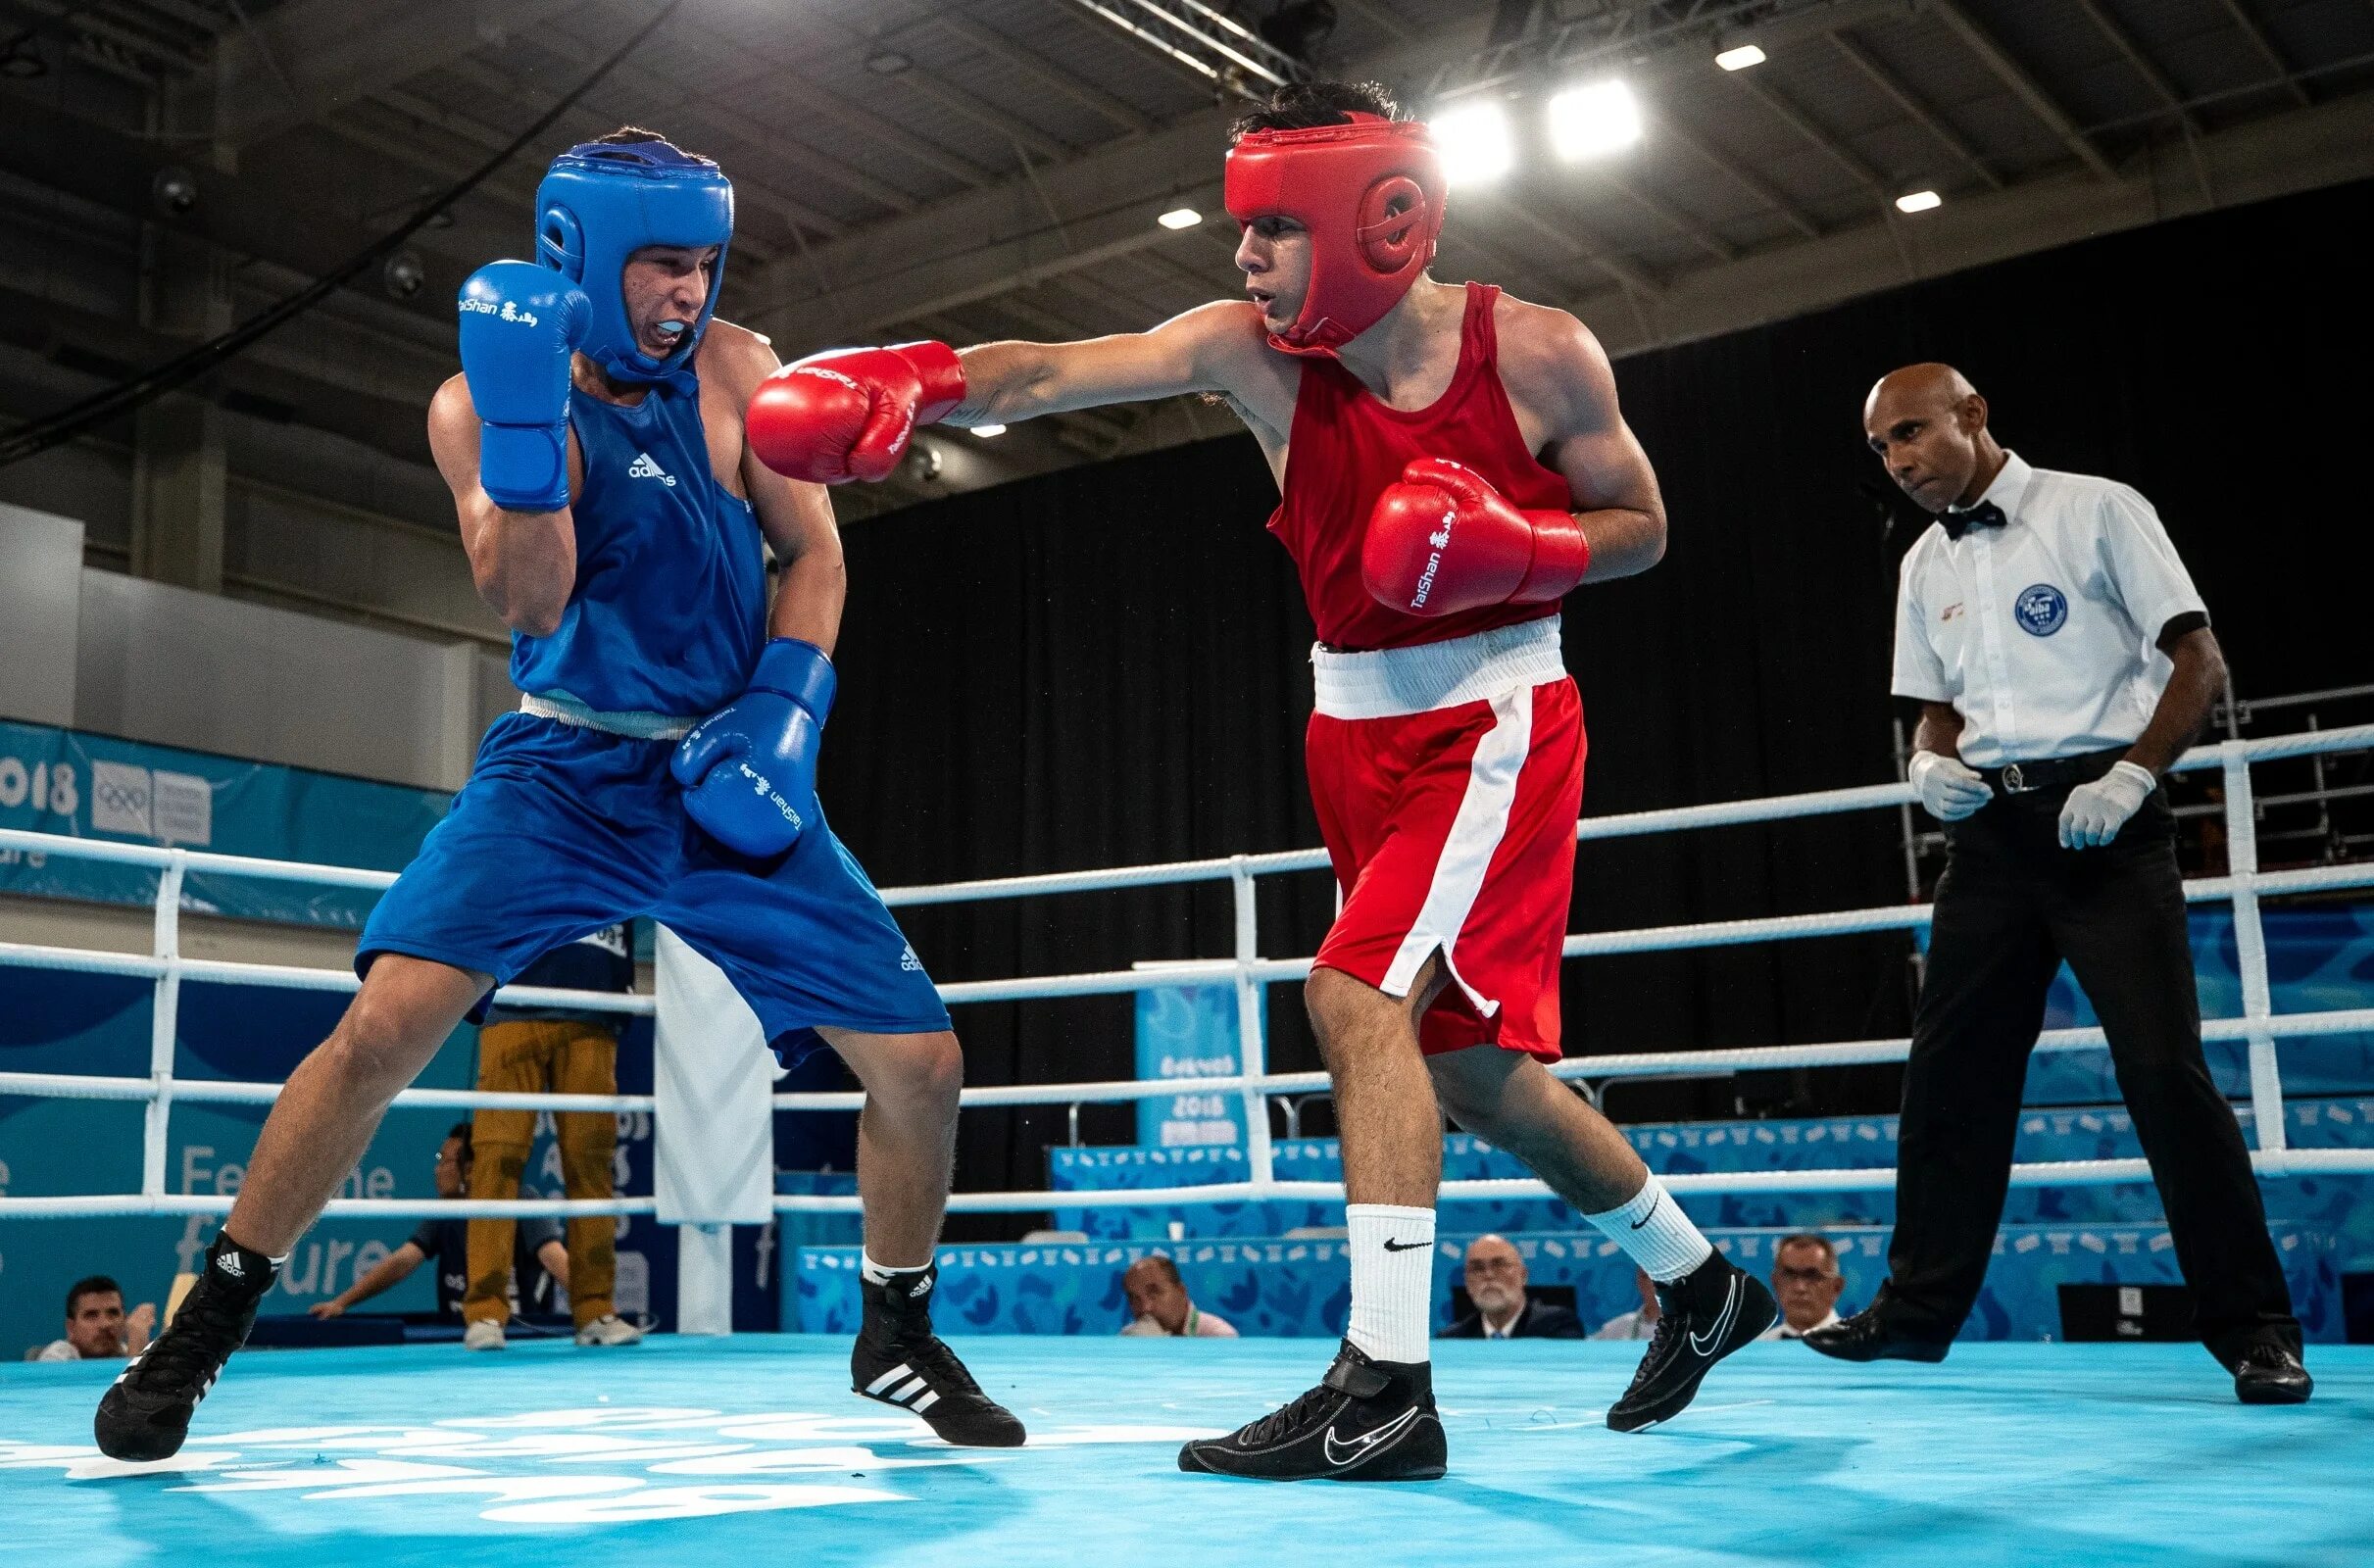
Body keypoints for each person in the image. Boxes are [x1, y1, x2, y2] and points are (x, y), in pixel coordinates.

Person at [744, 80, 1775, 1481]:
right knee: (1470, 1072)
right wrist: (906, 380)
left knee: (1354, 998)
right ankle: (1705, 1287)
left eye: (1275, 231)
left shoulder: (1534, 350)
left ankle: (1386, 1387)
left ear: (1380, 219)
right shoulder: (1255, 353)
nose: (1242, 260)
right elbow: (1051, 372)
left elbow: (1643, 526)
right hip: (1349, 727)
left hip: (1492, 715)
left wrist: (1516, 548)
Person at [94, 129, 1024, 1463]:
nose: (685, 295)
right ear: (575, 259)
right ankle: (207, 1324)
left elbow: (811, 556)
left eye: (703, 264)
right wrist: (535, 433)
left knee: (923, 1066)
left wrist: (783, 710)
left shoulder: (740, 371)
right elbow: (526, 600)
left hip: (729, 762)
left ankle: (896, 1330)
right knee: (384, 1031)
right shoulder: (474, 403)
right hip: (565, 768)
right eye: (658, 265)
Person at [1806, 363, 2309, 1404]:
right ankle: (1911, 1317)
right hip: (1989, 839)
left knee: (2164, 1078)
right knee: (1949, 1078)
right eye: (1881, 449)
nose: (1898, 462)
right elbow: (1933, 708)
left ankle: (2256, 1329)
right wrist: (1927, 763)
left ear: (1973, 414)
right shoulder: (1919, 564)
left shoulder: (2095, 509)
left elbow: (2198, 660)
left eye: (1910, 433)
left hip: (2107, 830)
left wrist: (2130, 773)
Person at [465, 925, 641, 1349]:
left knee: (591, 1166)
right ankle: (485, 1312)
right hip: (513, 998)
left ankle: (595, 1308)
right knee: (496, 1160)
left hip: (593, 1007)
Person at [308, 1123, 569, 1337]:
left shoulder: (521, 1201)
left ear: (469, 1169)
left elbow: (555, 1259)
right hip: (463, 1336)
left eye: (444, 1160)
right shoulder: (446, 1211)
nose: (437, 1170)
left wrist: (594, 1306)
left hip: (520, 1335)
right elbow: (403, 1261)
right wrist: (342, 1302)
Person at [1439, 1234, 1582, 1339]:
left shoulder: (1557, 1327)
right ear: (1467, 1282)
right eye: (1477, 1268)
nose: (1488, 1275)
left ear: (1523, 1275)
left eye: (1499, 1265)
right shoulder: (1452, 1338)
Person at [33, 1277, 154, 1362]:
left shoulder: (132, 1352)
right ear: (71, 1328)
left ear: (125, 1321)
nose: (105, 1324)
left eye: (113, 1313)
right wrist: (137, 1353)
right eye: (91, 1315)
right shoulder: (58, 1357)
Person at [1119, 1254, 1239, 1338]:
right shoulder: (1129, 1337)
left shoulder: (1219, 1336)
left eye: (1154, 1293)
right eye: (1134, 1297)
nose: (1145, 1307)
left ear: (1181, 1291)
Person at [1759, 1233, 1844, 1340]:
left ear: (1836, 1287)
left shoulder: (1858, 1349)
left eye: (1812, 1276)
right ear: (1775, 1284)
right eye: (1789, 1275)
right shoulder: (1755, 1350)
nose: (1800, 1288)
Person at [1591, 1267, 1660, 1342]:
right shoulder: (1623, 1325)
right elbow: (1585, 1348)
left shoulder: (1673, 1327)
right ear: (1638, 1282)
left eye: (1657, 1277)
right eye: (1645, 1277)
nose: (1652, 1283)